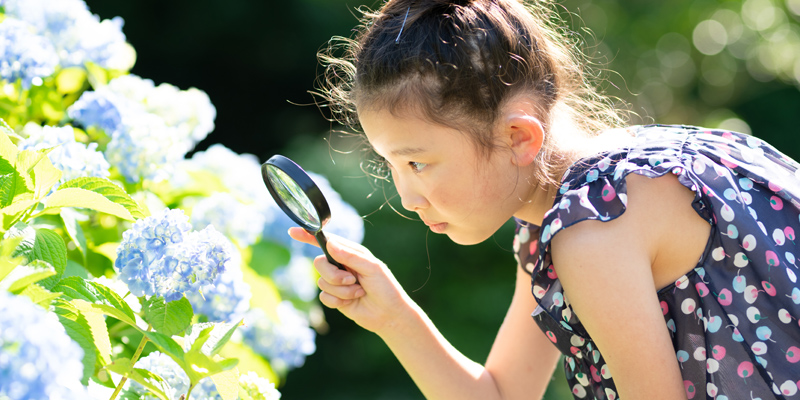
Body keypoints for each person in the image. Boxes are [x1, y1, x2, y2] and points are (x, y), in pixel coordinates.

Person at [288, 0, 800, 399]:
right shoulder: (606, 191)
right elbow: (504, 394)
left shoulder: (592, 230)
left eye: (417, 163)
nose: (406, 195)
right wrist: (393, 317)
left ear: (518, 139)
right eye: (392, 165)